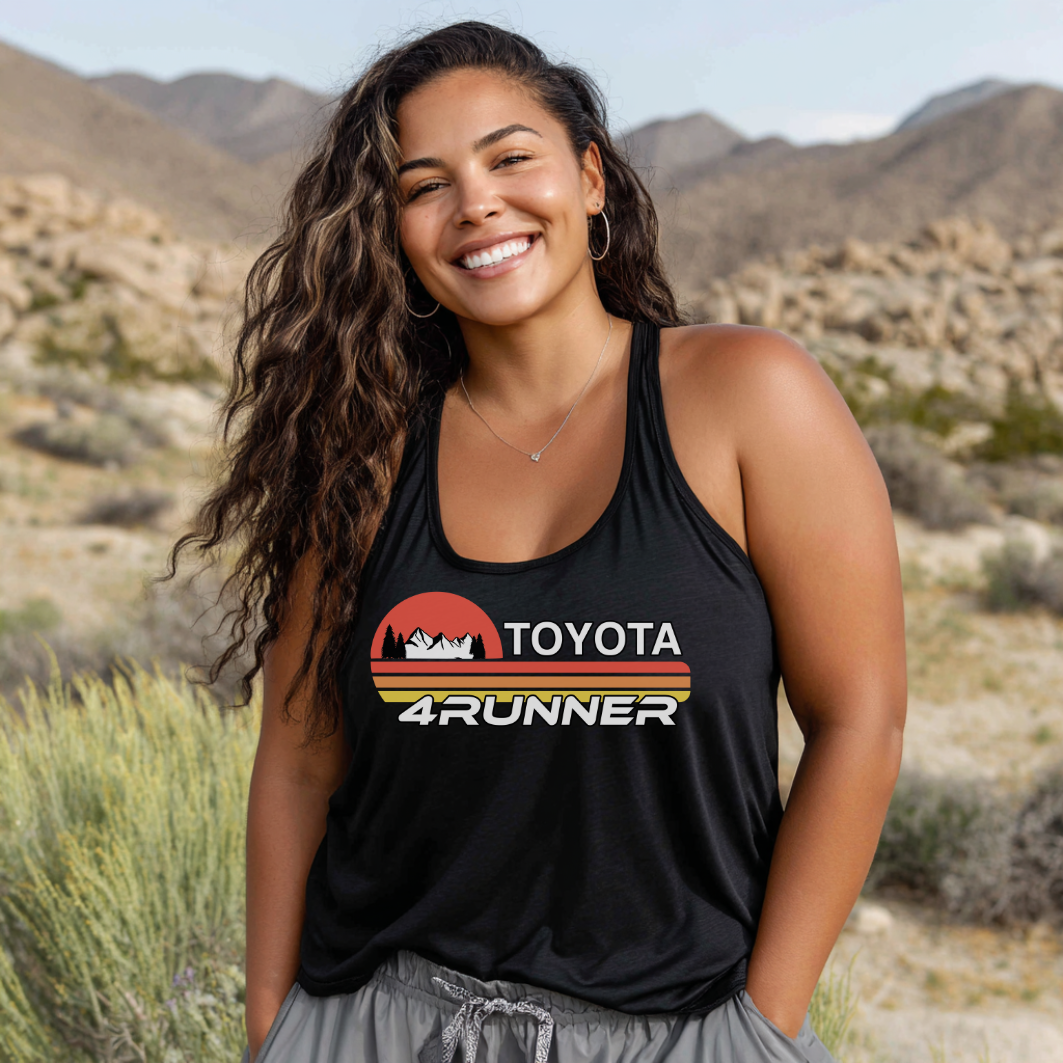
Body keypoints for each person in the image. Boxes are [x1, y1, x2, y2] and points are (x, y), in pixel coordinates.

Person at [167, 20, 906, 1063]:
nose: (476, 203)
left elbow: (859, 718)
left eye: (511, 158)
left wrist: (758, 1023)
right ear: (394, 233)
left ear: (591, 179)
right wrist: (275, 1027)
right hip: (379, 1022)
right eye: (424, 186)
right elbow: (295, 758)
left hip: (673, 1033)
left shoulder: (746, 395)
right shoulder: (368, 454)